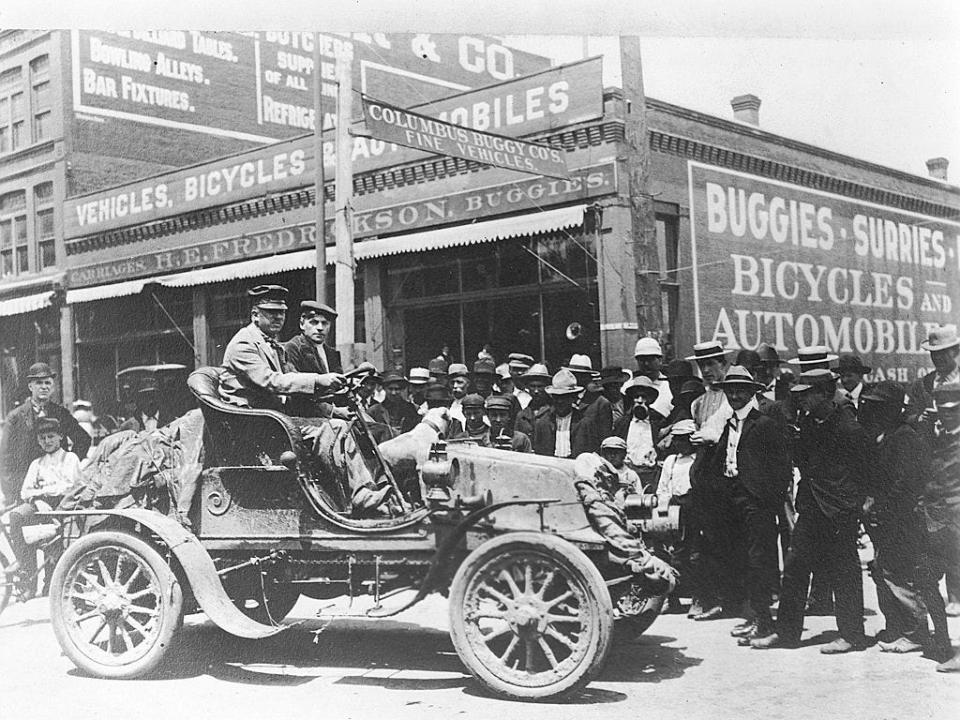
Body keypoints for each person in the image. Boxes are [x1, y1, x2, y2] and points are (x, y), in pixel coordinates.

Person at [751, 368, 869, 653]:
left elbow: (866, 468)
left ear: (824, 393)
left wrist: (856, 504)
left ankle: (852, 636)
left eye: (806, 394)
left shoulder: (847, 425)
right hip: (813, 506)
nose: (799, 399)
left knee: (844, 571)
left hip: (839, 508)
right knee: (794, 568)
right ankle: (787, 633)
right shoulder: (810, 423)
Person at [701, 366, 791, 641]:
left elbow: (782, 465)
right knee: (743, 560)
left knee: (759, 560)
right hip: (735, 499)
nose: (736, 395)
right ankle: (753, 616)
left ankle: (764, 620)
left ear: (752, 393)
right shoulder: (728, 424)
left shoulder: (764, 424)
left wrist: (769, 499)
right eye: (731, 391)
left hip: (757, 501)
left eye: (741, 391)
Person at [858, 381, 933, 655]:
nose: (872, 412)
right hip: (888, 517)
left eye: (878, 407)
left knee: (899, 573)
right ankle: (897, 626)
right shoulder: (888, 435)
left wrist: (882, 506)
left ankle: (915, 632)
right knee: (883, 569)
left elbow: (904, 483)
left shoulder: (904, 437)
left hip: (901, 518)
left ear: (891, 409)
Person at [219, 285, 345, 411]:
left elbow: (291, 375)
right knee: (334, 428)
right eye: (271, 312)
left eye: (281, 312)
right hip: (249, 416)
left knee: (339, 425)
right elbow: (271, 380)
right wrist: (317, 379)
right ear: (255, 315)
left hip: (271, 412)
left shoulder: (273, 344)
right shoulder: (244, 343)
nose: (278, 317)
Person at [3, 417, 83, 597]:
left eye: (51, 436)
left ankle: (52, 583)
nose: (47, 441)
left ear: (60, 436)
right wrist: (37, 499)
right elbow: (25, 491)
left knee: (52, 537)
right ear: (38, 441)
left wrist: (45, 491)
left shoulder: (70, 459)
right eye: (43, 438)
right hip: (39, 505)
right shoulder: (37, 463)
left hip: (63, 506)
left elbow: (72, 486)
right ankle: (27, 575)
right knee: (17, 517)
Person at [0, 362, 90, 505]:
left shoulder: (61, 413)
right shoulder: (15, 417)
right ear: (30, 386)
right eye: (39, 383)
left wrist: (66, 462)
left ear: (52, 387)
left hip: (58, 489)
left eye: (48, 383)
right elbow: (5, 458)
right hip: (27, 489)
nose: (44, 387)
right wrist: (12, 493)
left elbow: (84, 439)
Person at [921, 383, 960, 672]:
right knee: (924, 579)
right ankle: (944, 642)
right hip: (937, 524)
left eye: (954, 411)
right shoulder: (938, 438)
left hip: (956, 523)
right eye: (943, 412)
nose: (947, 416)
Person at [283, 300, 349, 419]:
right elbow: (296, 392)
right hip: (306, 416)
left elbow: (340, 389)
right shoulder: (293, 348)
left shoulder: (331, 353)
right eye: (314, 322)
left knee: (377, 428)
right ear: (302, 324)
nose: (320, 328)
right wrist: (334, 411)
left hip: (335, 414)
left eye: (325, 323)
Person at [617, 375, 661, 485]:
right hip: (627, 475)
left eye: (644, 397)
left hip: (652, 475)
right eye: (636, 397)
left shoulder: (658, 421)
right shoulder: (622, 423)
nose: (640, 401)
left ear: (650, 399)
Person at [531, 369, 582, 458]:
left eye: (564, 397)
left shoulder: (583, 422)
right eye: (556, 397)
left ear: (573, 397)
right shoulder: (543, 423)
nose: (560, 401)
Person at [634, 337, 673, 419]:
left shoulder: (669, 386)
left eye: (650, 359)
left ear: (660, 360)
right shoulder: (629, 386)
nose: (646, 364)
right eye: (642, 360)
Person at [515, 363, 551, 437]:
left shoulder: (553, 411)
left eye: (540, 386)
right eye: (532, 386)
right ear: (527, 387)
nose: (536, 391)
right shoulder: (522, 415)